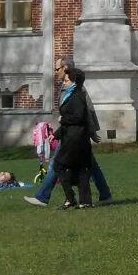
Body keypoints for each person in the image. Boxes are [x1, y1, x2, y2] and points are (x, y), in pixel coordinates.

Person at [54, 63, 99, 209]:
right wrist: (56, 134)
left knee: (59, 166)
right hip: (72, 136)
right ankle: (83, 201)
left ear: (73, 79)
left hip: (76, 139)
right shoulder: (72, 93)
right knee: (80, 169)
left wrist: (63, 120)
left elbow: (79, 117)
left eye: (67, 76)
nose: (64, 78)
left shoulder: (77, 95)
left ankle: (72, 198)